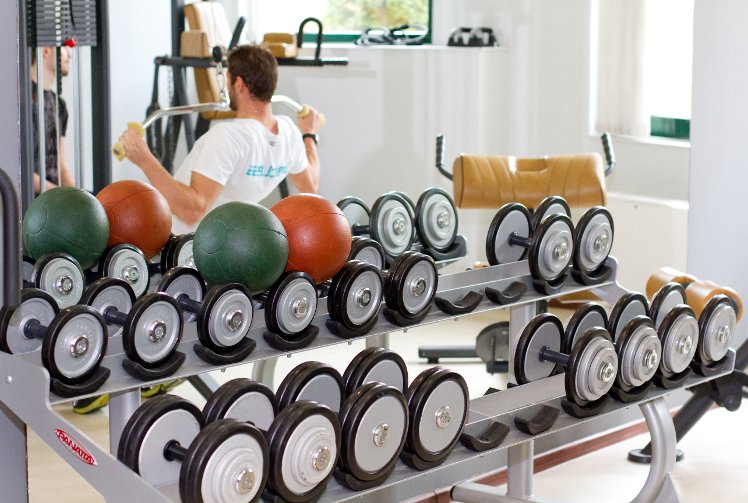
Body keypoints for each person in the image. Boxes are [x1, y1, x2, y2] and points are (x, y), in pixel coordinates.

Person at [116, 43, 323, 234]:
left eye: (228, 78)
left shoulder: (227, 137)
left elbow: (192, 212)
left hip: (182, 244)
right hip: (223, 242)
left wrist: (144, 158)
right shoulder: (289, 133)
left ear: (239, 84)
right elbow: (310, 185)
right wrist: (309, 134)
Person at [31, 46, 75, 192]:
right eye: (65, 47)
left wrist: (80, 198)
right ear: (46, 51)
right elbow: (19, 170)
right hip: (30, 202)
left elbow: (61, 167)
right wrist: (62, 196)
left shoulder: (59, 105)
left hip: (53, 198)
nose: (70, 55)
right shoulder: (22, 101)